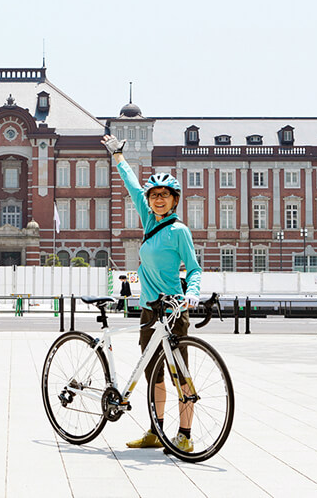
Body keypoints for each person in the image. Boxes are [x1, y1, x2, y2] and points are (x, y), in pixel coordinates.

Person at [102, 133, 202, 452]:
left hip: (173, 310)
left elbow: (195, 269)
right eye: (154, 195)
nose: (158, 199)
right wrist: (118, 156)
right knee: (154, 376)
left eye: (164, 195)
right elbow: (132, 186)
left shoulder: (179, 232)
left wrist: (193, 291)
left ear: (174, 199)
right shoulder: (148, 223)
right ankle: (156, 431)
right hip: (148, 310)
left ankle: (184, 435)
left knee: (180, 375)